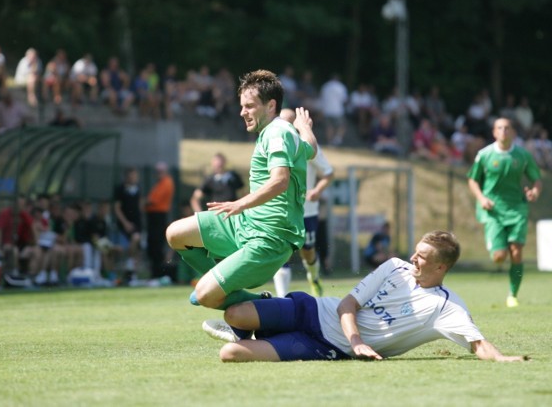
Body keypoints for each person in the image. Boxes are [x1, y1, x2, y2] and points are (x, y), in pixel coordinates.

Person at [204, 231, 526, 364]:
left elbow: (477, 343)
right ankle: (258, 309)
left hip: (325, 347)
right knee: (234, 314)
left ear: (441, 266)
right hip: (315, 310)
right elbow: (347, 305)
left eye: (423, 257)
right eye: (415, 251)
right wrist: (357, 340)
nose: (413, 258)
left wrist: (502, 359)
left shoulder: (446, 306)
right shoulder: (394, 267)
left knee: (229, 354)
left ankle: (255, 327)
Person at [165, 69, 317, 311]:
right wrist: (304, 127)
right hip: (245, 224)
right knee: (176, 233)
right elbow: (311, 149)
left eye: (249, 106)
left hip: (269, 238)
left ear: (271, 106)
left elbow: (280, 181)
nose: (242, 112)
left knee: (205, 295)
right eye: (242, 106)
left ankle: (273, 307)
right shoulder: (283, 132)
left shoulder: (277, 132)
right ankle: (227, 287)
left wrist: (240, 204)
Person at [467, 117, 542, 308]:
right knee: (499, 257)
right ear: (494, 132)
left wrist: (534, 192)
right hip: (493, 210)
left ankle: (513, 295)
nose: (503, 131)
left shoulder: (523, 155)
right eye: (499, 128)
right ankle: (502, 247)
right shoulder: (484, 155)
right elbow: (473, 180)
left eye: (507, 128)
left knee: (516, 253)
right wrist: (482, 198)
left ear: (513, 132)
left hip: (517, 208)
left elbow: (536, 180)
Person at [273, 108, 333, 298]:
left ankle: (314, 278)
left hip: (306, 211)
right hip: (281, 211)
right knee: (281, 253)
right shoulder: (272, 143)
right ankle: (282, 298)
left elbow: (328, 174)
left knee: (308, 252)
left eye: (288, 123)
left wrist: (317, 190)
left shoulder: (308, 147)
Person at [113, 167, 144, 283]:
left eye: (135, 176)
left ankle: (132, 272)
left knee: (137, 245)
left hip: (137, 223)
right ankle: (128, 267)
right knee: (132, 241)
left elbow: (139, 205)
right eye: (131, 176)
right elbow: (117, 208)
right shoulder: (120, 189)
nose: (133, 178)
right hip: (125, 223)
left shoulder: (138, 189)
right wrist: (125, 222)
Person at [146, 162, 175, 280]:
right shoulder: (160, 183)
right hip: (154, 216)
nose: (158, 174)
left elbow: (152, 201)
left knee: (157, 245)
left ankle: (159, 273)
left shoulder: (166, 182)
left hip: (158, 215)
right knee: (153, 246)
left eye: (161, 171)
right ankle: (156, 273)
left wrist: (143, 202)